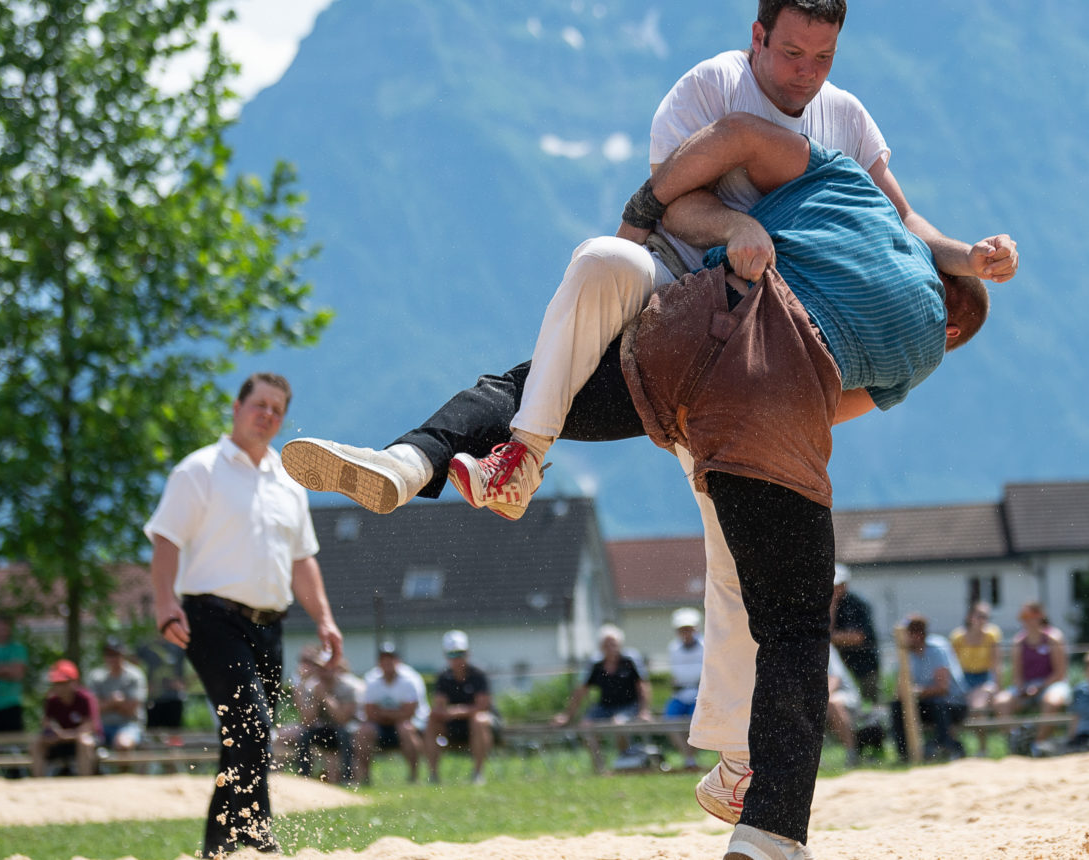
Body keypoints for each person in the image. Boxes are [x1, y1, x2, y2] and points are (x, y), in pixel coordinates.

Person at [285, 111, 991, 857]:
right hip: (765, 407)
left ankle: (419, 459)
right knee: (790, 625)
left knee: (530, 387)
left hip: (689, 327)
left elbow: (737, 141)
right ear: (952, 321)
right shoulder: (923, 340)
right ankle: (769, 832)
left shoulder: (846, 182)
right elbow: (826, 411)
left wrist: (656, 213)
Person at [145, 371, 343, 858]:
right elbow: (166, 538)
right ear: (236, 408)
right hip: (210, 619)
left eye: (278, 409)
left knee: (244, 738)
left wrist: (325, 619)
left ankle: (218, 849)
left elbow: (302, 559)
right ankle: (258, 839)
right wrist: (164, 602)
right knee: (251, 726)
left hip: (270, 625)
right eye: (260, 405)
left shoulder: (288, 483)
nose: (268, 415)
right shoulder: (200, 470)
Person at [554, 625, 653, 773]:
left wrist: (644, 711)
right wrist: (567, 715)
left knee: (618, 723)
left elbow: (643, 686)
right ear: (600, 646)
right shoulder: (595, 664)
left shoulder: (630, 660)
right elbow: (581, 690)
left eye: (613, 644)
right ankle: (599, 766)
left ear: (620, 645)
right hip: (604, 706)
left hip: (629, 705)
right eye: (606, 644)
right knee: (586, 725)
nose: (610, 647)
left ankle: (624, 760)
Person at [888, 614, 968, 762]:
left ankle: (947, 747)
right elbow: (900, 692)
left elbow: (943, 688)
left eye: (904, 634)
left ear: (917, 635)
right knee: (897, 706)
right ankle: (905, 754)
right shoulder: (905, 654)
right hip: (927, 702)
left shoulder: (937, 648)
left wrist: (916, 691)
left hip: (953, 704)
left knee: (937, 704)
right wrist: (906, 692)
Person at [280, 646, 362, 784]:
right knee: (305, 735)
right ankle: (304, 776)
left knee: (344, 735)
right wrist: (313, 696)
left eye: (326, 667)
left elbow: (342, 719)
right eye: (320, 668)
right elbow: (307, 721)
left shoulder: (348, 687)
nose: (322, 672)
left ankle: (347, 777)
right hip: (324, 729)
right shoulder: (312, 687)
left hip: (346, 729)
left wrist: (325, 697)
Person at [993, 601, 1071, 746]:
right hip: (1028, 686)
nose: (1026, 620)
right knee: (1001, 701)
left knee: (1050, 702)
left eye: (1029, 616)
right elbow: (1017, 675)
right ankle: (1016, 741)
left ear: (1040, 616)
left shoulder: (1053, 637)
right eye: (1023, 616)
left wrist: (1039, 687)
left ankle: (1037, 744)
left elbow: (1060, 673)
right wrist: (1022, 688)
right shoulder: (1019, 641)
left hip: (1052, 684)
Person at [425, 629, 496, 785]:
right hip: (455, 725)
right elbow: (440, 708)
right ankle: (433, 775)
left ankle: (478, 773)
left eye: (460, 653)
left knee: (479, 720)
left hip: (479, 725)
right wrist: (452, 713)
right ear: (446, 656)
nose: (457, 659)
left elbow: (482, 707)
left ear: (467, 653)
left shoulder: (478, 674)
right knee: (432, 722)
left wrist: (455, 711)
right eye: (452, 654)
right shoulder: (443, 677)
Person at [356, 642, 429, 785]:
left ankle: (414, 776)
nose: (387, 663)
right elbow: (370, 712)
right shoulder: (371, 680)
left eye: (391, 659)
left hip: (406, 725)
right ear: (379, 663)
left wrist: (384, 713)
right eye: (384, 660)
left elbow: (409, 713)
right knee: (364, 732)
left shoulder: (410, 680)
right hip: (381, 726)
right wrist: (395, 713)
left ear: (398, 661)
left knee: (406, 729)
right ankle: (365, 777)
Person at [30, 660, 99, 777]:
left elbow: (90, 726)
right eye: (56, 683)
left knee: (85, 742)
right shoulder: (52, 700)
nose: (59, 687)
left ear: (74, 682)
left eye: (63, 682)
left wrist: (68, 735)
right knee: (37, 743)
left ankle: (86, 780)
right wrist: (53, 731)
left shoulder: (85, 698)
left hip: (79, 740)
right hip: (59, 742)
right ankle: (38, 781)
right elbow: (46, 723)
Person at [830, 563, 881, 704]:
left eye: (838, 584)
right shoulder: (827, 605)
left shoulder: (857, 604)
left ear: (845, 584)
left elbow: (858, 637)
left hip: (864, 662)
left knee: (870, 704)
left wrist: (830, 638)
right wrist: (832, 605)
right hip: (839, 663)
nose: (835, 589)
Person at [89, 637, 147, 755]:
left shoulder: (135, 676)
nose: (112, 658)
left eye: (115, 654)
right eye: (109, 654)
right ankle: (94, 773)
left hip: (129, 725)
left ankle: (124, 773)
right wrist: (113, 703)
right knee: (85, 744)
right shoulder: (96, 677)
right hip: (102, 727)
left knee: (122, 744)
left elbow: (131, 711)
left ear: (122, 654)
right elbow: (93, 709)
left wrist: (107, 705)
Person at [665, 607, 706, 770]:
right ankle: (689, 758)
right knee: (669, 722)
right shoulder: (673, 648)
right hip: (681, 694)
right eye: (682, 629)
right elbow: (677, 674)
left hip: (700, 694)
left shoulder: (706, 645)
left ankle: (690, 759)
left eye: (689, 629)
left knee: (694, 725)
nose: (686, 633)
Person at [950, 601, 1002, 716]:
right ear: (969, 617)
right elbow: (953, 666)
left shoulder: (992, 635)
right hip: (964, 679)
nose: (983, 620)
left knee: (978, 706)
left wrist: (998, 688)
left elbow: (996, 664)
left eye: (986, 617)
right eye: (980, 616)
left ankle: (981, 733)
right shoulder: (957, 637)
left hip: (984, 678)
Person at [824, 645, 862, 765]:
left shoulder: (825, 646)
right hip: (823, 697)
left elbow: (835, 679)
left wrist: (818, 700)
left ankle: (852, 754)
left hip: (846, 695)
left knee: (832, 703)